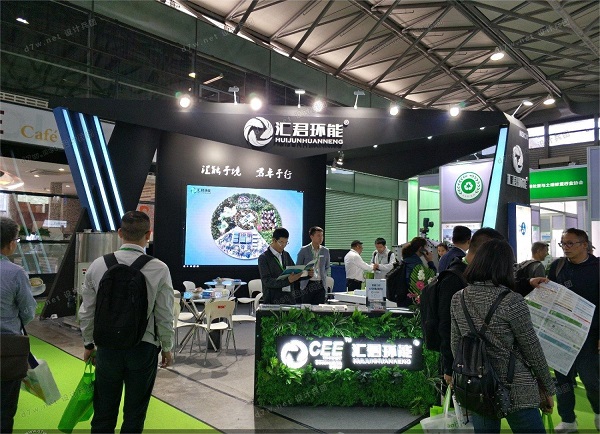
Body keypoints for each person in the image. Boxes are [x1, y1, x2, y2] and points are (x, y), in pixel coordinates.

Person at [79, 211, 174, 433]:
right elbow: (165, 313)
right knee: (135, 414)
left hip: (107, 347)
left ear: (120, 233)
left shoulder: (98, 265)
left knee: (103, 412)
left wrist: (88, 344)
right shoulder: (159, 268)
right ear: (148, 235)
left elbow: (87, 311)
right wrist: (167, 347)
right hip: (143, 347)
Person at [450, 239, 555, 433]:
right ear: (506, 266)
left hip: (479, 386)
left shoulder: (459, 298)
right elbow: (532, 348)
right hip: (516, 386)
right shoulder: (512, 300)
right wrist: (547, 388)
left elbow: (456, 345)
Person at [438, 227, 504, 387]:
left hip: (479, 365)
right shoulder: (454, 278)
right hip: (463, 367)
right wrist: (449, 366)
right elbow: (446, 325)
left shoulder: (474, 273)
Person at [549, 228, 599, 433]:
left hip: (590, 336)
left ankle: (598, 412)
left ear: (584, 245)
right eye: (563, 243)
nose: (566, 248)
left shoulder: (597, 268)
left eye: (570, 243)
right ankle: (568, 420)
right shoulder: (557, 267)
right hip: (561, 333)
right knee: (562, 381)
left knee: (591, 379)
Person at [1, 217, 37, 433]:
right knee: (5, 408)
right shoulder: (16, 273)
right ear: (10, 244)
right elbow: (28, 311)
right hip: (7, 349)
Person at [258, 227, 306, 304]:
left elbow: (295, 272)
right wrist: (287, 281)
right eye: (281, 242)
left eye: (286, 242)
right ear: (274, 240)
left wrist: (307, 274)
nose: (283, 245)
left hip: (288, 298)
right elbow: (267, 281)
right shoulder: (264, 258)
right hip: (273, 300)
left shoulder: (286, 255)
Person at [296, 226, 330, 304]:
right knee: (306, 307)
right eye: (318, 235)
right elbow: (298, 267)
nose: (321, 238)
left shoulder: (325, 251)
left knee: (319, 308)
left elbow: (327, 266)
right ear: (311, 236)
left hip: (320, 284)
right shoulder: (304, 250)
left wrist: (323, 275)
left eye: (322, 235)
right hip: (307, 284)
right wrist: (306, 273)